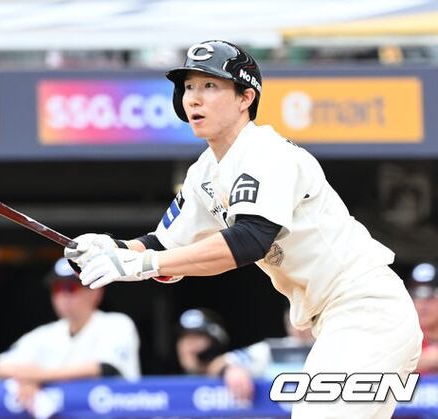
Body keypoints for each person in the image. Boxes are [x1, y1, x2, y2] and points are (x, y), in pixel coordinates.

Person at [65, 40, 422, 418]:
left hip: (366, 308)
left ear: (245, 97)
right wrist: (110, 249)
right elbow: (164, 246)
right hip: (338, 320)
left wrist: (142, 264)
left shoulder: (266, 152)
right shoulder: (203, 172)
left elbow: (249, 240)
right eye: (189, 87)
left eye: (210, 86)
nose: (194, 98)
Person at [0, 258, 140, 409]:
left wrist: (36, 378)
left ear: (96, 292)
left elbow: (103, 369)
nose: (63, 296)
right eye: (57, 288)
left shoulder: (117, 323)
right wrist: (29, 379)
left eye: (71, 288)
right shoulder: (46, 333)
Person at [207, 306, 315, 403]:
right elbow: (217, 364)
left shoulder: (325, 346)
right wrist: (231, 370)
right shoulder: (271, 349)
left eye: (306, 319)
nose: (300, 326)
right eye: (293, 318)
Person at [175, 308, 229, 375]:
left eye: (197, 335)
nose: (189, 342)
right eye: (184, 336)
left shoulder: (232, 367)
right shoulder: (168, 373)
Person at [408, 262, 438, 373]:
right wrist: (416, 364)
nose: (422, 304)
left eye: (431, 295)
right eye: (416, 295)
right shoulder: (402, 339)